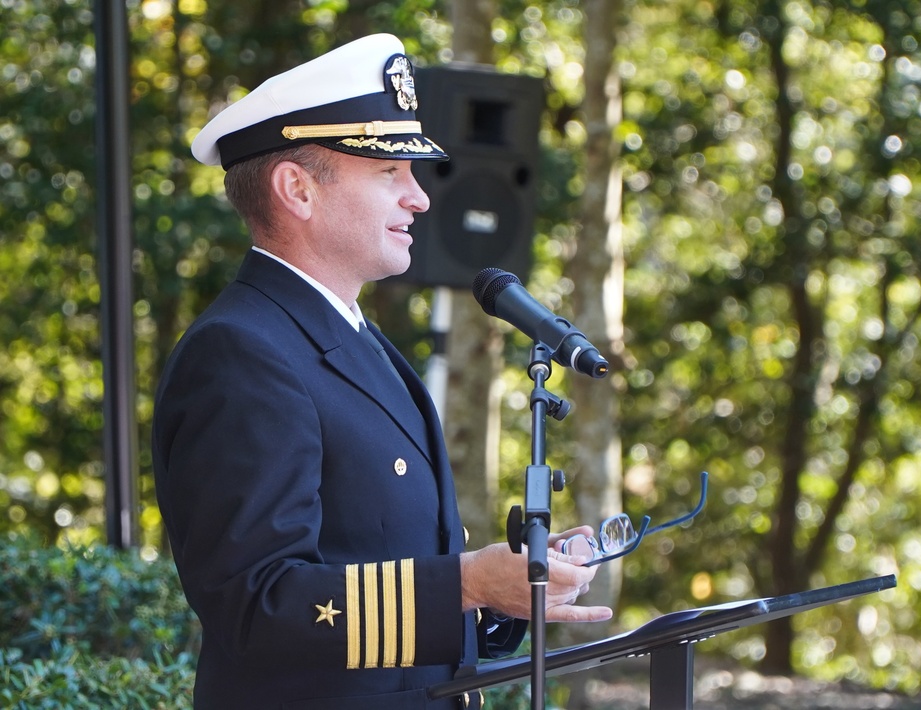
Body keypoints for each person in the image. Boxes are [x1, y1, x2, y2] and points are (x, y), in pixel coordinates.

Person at [152, 33, 612, 710]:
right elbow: (256, 605)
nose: (420, 199)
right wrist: (466, 583)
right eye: (389, 173)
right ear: (297, 190)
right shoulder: (241, 353)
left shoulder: (355, 341)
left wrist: (503, 593)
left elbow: (387, 574)